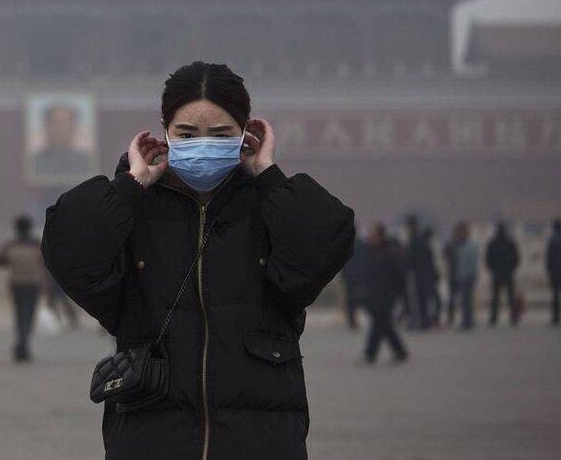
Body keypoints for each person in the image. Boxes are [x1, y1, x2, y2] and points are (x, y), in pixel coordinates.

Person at [42, 61, 355, 460]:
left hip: (259, 437)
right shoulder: (137, 209)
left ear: (245, 133)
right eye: (187, 134)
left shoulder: (267, 206)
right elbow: (68, 250)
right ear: (164, 130)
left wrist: (269, 176)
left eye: (221, 133)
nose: (203, 144)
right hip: (152, 434)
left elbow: (329, 241)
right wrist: (130, 186)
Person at [0, 215, 47, 362]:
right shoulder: (36, 245)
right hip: (33, 284)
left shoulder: (11, 245)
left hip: (17, 284)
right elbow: (45, 263)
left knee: (20, 316)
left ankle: (21, 345)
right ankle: (23, 346)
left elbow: (0, 262)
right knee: (28, 317)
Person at [361, 223, 409, 364]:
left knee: (379, 324)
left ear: (380, 237)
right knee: (385, 325)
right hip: (374, 295)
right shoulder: (370, 252)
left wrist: (397, 294)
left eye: (373, 235)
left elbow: (399, 277)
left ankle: (370, 354)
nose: (370, 238)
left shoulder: (390, 253)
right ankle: (400, 352)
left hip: (387, 296)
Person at [31, 103, 94, 179]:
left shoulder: (86, 162)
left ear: (73, 128)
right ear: (47, 128)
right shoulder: (34, 163)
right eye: (57, 124)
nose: (61, 130)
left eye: (65, 125)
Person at [485, 222, 520, 326]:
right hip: (508, 272)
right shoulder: (510, 243)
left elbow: (488, 259)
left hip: (497, 273)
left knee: (495, 297)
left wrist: (493, 269)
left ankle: (493, 318)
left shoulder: (493, 243)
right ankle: (513, 317)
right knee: (510, 297)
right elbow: (516, 258)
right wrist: (511, 268)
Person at [448, 222, 480, 330]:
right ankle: (465, 319)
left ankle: (468, 321)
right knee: (463, 300)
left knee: (467, 300)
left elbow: (473, 262)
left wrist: (473, 274)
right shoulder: (457, 245)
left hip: (468, 276)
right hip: (460, 275)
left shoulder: (471, 245)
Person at [342, 229, 367, 330]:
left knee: (350, 301)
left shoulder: (346, 243)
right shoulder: (361, 244)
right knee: (359, 298)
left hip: (350, 276)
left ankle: (352, 321)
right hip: (359, 276)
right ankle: (353, 321)